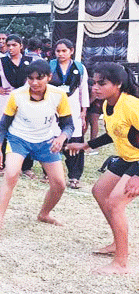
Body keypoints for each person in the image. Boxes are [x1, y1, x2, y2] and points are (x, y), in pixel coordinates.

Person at [65, 63, 139, 274]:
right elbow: (114, 132)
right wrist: (85, 145)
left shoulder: (132, 105)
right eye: (94, 83)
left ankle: (121, 263)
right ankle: (118, 243)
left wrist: (138, 176)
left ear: (118, 84)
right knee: (100, 191)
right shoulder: (108, 104)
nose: (95, 87)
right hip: (128, 157)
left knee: (115, 203)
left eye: (102, 83)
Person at [0, 61, 73, 241]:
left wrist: (61, 137)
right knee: (11, 174)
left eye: (39, 78)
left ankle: (44, 214)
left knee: (59, 184)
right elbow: (2, 127)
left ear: (49, 77)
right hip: (19, 140)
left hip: (45, 141)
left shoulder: (58, 95)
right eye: (31, 78)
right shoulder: (17, 95)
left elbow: (68, 125)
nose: (34, 83)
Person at [0, 35, 37, 176]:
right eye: (8, 45)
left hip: (25, 101)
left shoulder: (31, 61)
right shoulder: (1, 61)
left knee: (25, 132)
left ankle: (26, 166)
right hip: (6, 100)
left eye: (14, 45)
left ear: (21, 46)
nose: (11, 48)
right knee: (3, 132)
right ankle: (0, 164)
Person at [49, 39, 89, 189]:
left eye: (64, 51)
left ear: (71, 51)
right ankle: (50, 173)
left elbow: (83, 90)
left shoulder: (80, 68)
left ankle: (74, 176)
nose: (61, 54)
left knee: (74, 140)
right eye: (58, 51)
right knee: (53, 138)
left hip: (73, 108)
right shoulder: (50, 66)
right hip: (53, 106)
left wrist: (84, 111)